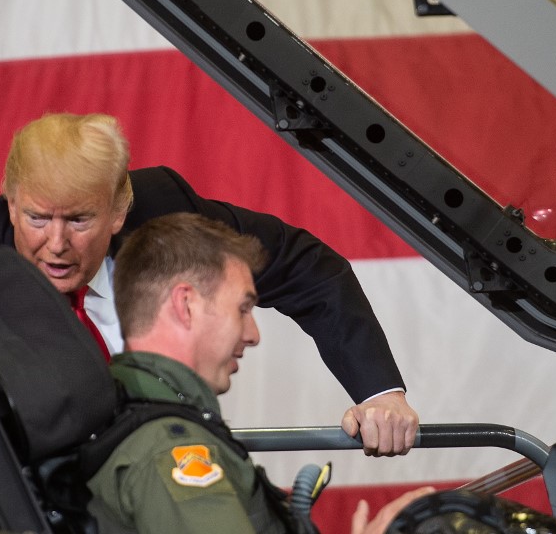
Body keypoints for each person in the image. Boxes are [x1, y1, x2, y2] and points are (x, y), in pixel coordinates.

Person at [0, 112, 418, 455]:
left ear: (120, 209)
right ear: (11, 200)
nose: (56, 244)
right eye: (36, 218)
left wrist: (380, 393)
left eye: (79, 219)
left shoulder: (164, 213)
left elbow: (307, 268)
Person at [85, 212, 434, 533]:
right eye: (242, 308)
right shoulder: (172, 452)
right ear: (185, 304)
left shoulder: (128, 418)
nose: (253, 334)